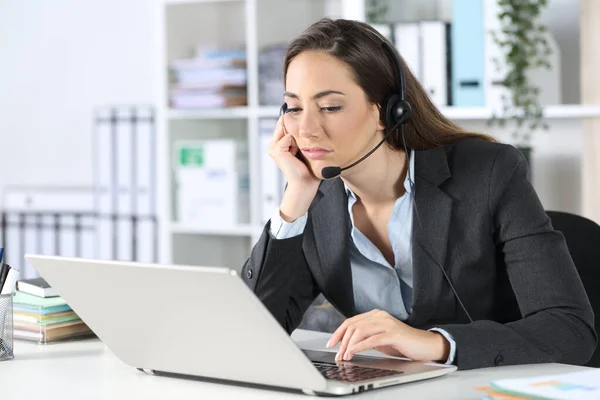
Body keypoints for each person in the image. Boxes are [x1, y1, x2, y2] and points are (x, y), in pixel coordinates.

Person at [241, 18, 597, 371]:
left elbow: (569, 329)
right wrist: (295, 200)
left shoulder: (488, 173)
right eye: (293, 107)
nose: (305, 129)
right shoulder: (313, 202)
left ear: (388, 111)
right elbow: (251, 331)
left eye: (330, 107)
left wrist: (435, 343)